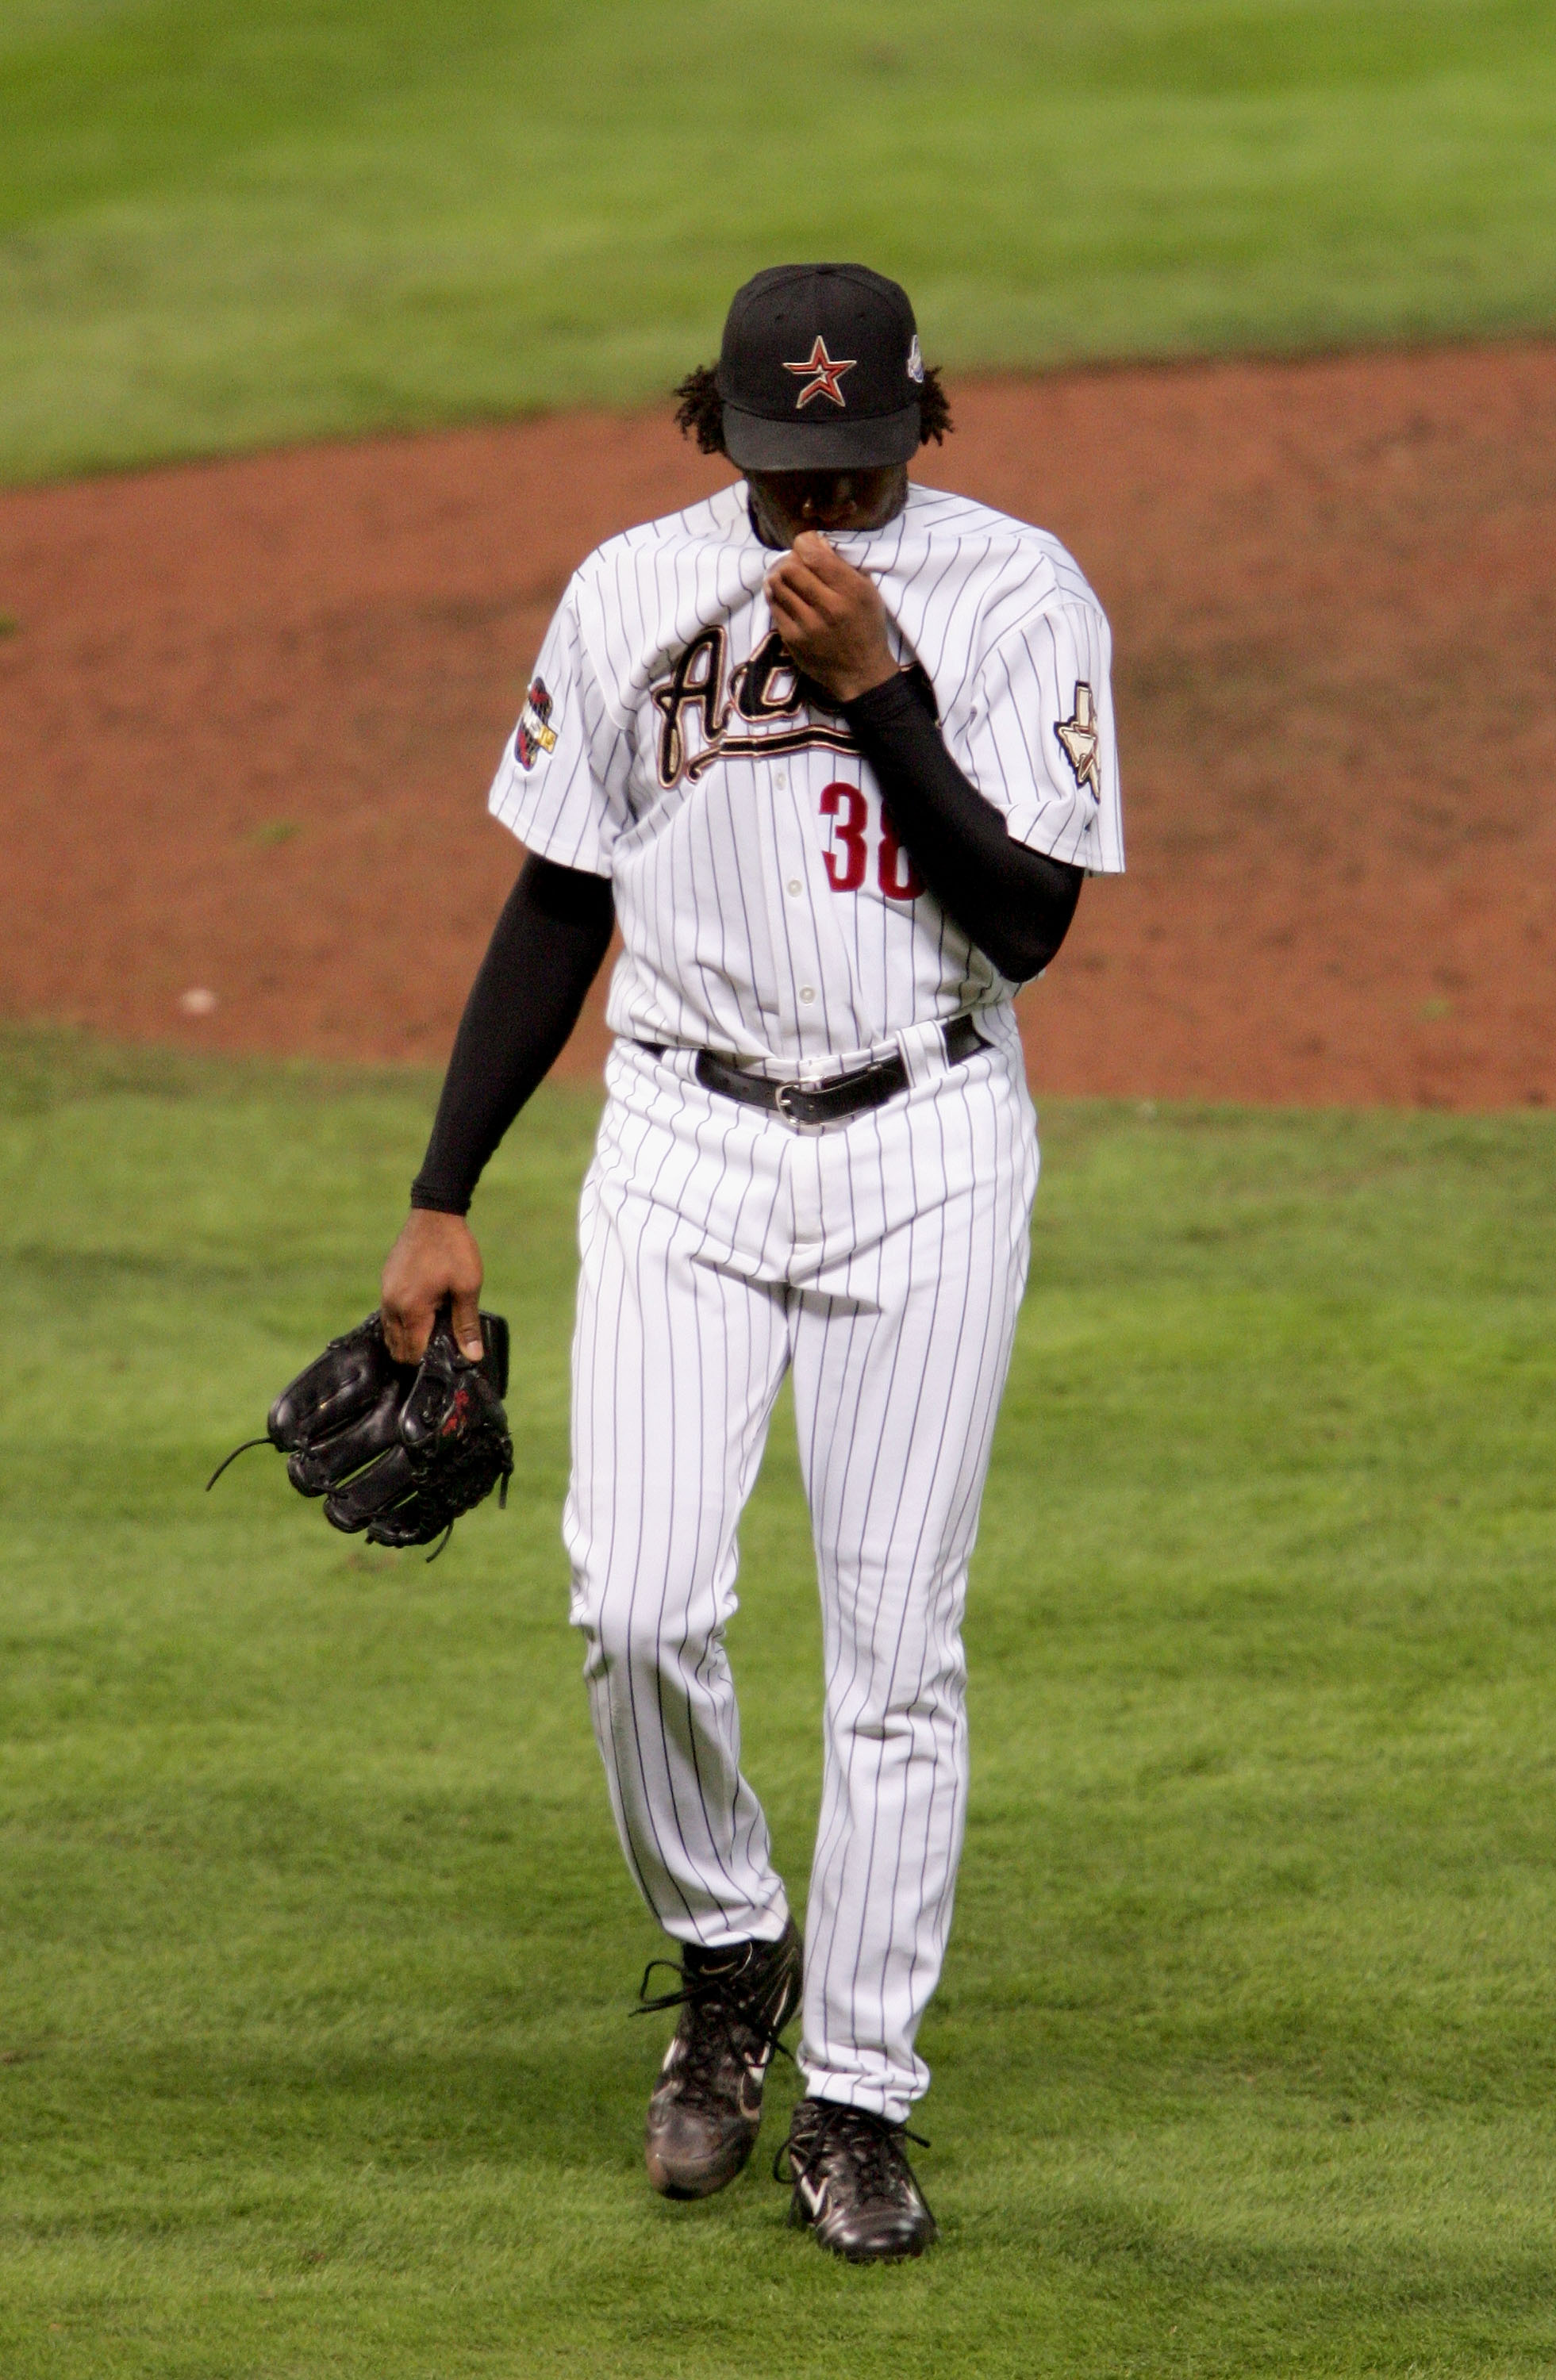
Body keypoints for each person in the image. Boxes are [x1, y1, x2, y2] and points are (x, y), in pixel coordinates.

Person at [379, 263, 1124, 2263]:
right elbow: (556, 897)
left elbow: (1032, 920)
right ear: (715, 431)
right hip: (684, 1140)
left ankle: (862, 2101)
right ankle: (728, 1958)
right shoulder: (629, 592)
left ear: (921, 429)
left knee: (897, 1652)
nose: (823, 505)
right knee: (635, 1604)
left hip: (933, 1139)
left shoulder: (1017, 592)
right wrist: (445, 1188)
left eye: (860, 464)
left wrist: (882, 681)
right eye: (788, 468)